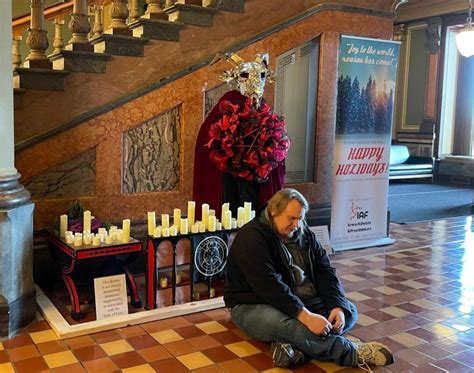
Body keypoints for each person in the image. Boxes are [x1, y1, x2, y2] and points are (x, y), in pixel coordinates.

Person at [224, 188, 394, 370]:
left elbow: (325, 270)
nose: (297, 224)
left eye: (301, 218)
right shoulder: (252, 238)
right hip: (251, 305)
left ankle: (295, 349)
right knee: (288, 325)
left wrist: (337, 305)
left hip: (297, 299)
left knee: (349, 310)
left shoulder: (303, 233)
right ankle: (351, 353)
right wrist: (305, 317)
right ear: (274, 211)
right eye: (292, 218)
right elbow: (270, 288)